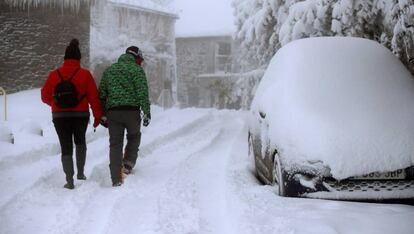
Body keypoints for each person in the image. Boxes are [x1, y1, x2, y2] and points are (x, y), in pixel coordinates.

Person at [41, 39, 102, 189]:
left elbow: (44, 96)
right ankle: (80, 173)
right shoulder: (85, 74)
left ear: (65, 58)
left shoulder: (54, 74)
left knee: (65, 146)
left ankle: (69, 180)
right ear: (79, 59)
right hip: (80, 115)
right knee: (80, 141)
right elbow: (94, 97)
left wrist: (56, 105)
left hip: (60, 117)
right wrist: (97, 117)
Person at [99, 46, 151, 187]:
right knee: (134, 136)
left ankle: (116, 178)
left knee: (115, 144)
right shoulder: (137, 70)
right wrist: (146, 112)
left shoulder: (109, 70)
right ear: (136, 58)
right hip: (132, 112)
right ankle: (127, 164)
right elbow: (142, 93)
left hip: (113, 113)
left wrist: (102, 114)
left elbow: (102, 94)